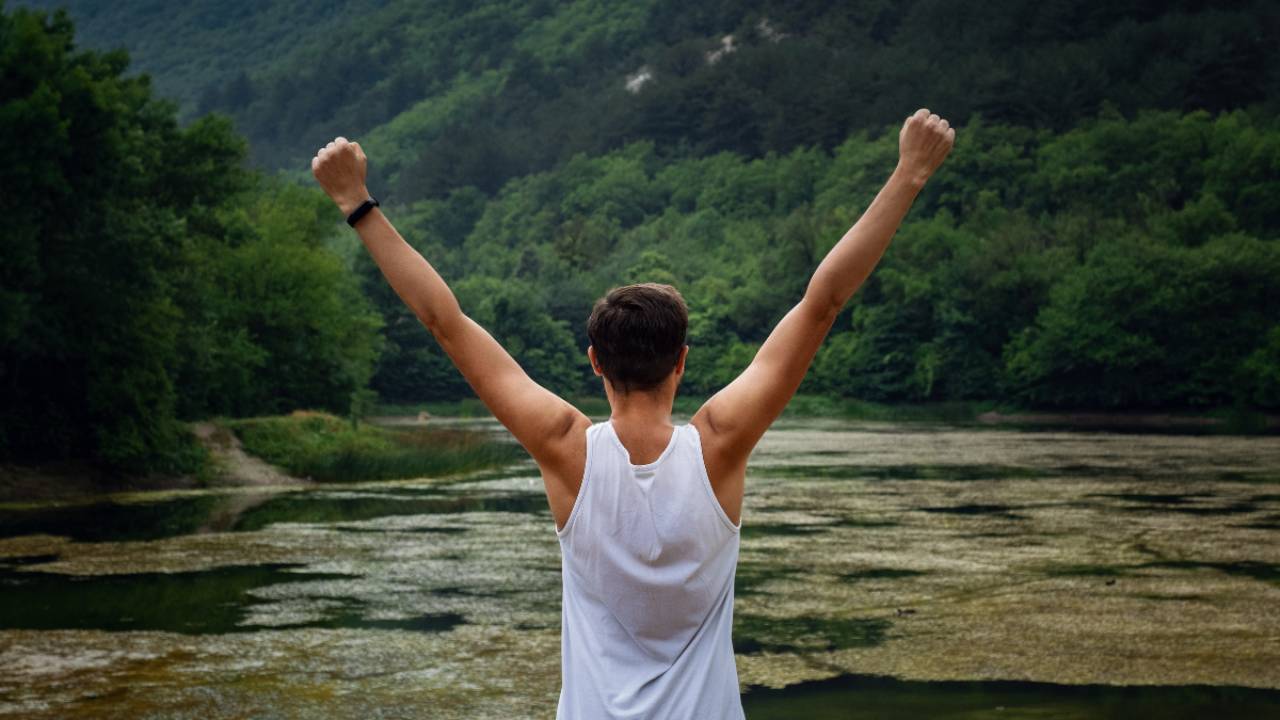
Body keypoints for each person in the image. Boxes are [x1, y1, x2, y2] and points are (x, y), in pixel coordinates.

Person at [311, 107, 954, 719]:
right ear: (682, 362)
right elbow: (824, 301)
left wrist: (357, 203)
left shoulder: (566, 447)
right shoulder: (719, 444)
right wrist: (909, 174)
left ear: (595, 362)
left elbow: (444, 321)